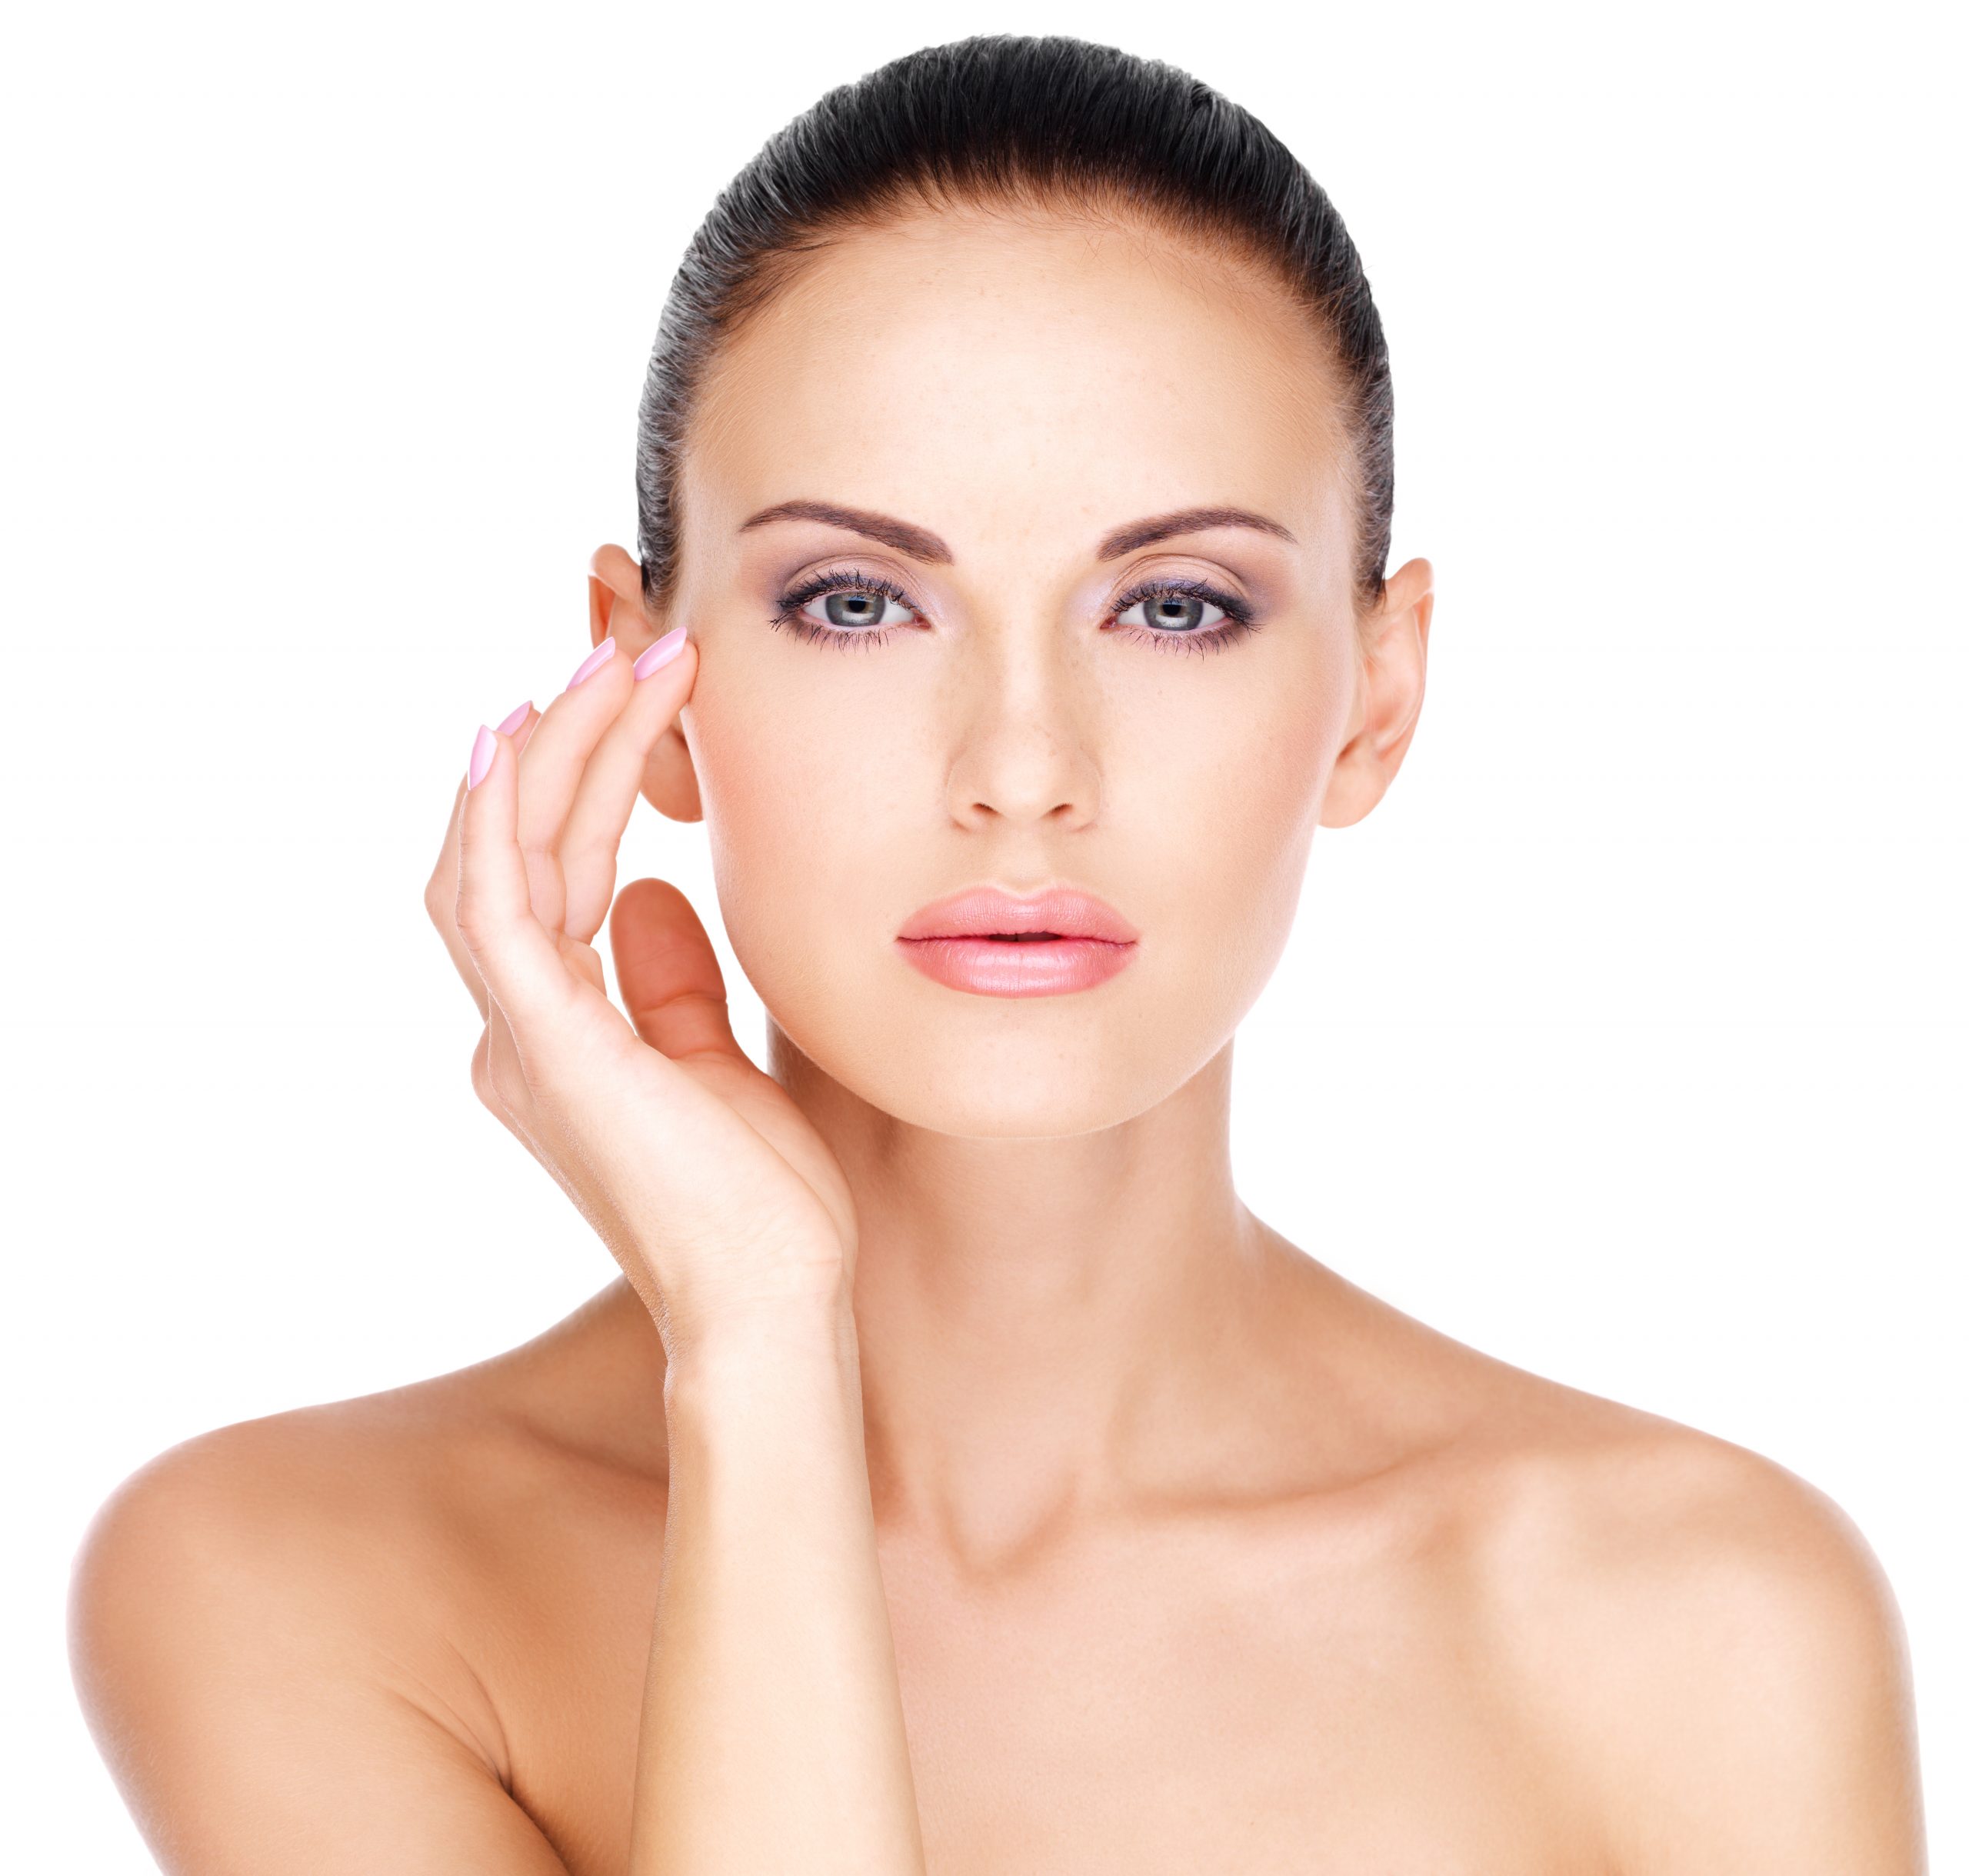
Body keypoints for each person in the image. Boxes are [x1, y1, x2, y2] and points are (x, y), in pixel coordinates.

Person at [66, 32, 1926, 1874]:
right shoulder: (292, 1579)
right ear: (644, 682)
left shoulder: (1700, 1626)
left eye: (1174, 604)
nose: (1022, 768)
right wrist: (757, 1339)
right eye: (854, 600)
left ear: (1376, 698)